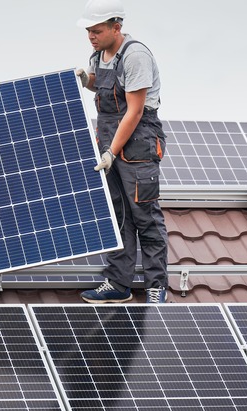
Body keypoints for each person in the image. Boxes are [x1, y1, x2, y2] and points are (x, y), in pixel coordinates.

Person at [76, 0, 169, 304]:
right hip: (109, 140)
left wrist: (112, 152)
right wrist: (85, 78)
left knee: (145, 214)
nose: (91, 35)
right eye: (88, 30)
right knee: (117, 214)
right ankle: (118, 283)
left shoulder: (135, 56)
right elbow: (100, 86)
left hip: (137, 142)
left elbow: (135, 111)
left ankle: (156, 284)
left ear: (116, 26)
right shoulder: (99, 54)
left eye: (97, 30)